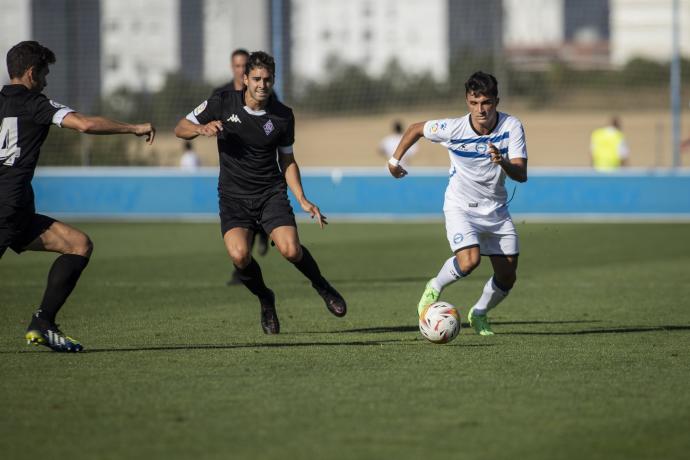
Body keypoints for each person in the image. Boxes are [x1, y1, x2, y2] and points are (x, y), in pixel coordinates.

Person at [174, 51, 346, 334]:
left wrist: (302, 198)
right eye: (256, 79)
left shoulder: (282, 116)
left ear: (273, 80)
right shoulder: (222, 102)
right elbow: (180, 127)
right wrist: (200, 128)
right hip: (233, 197)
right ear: (245, 79)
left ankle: (322, 286)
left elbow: (287, 160)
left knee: (291, 250)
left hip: (270, 193)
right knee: (240, 256)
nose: (262, 85)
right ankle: (266, 299)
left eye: (267, 79)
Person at [0, 41, 155, 352]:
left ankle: (43, 323)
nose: (45, 81)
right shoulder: (36, 104)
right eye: (44, 74)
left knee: (78, 245)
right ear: (31, 73)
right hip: (6, 208)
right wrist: (133, 127)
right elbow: (84, 124)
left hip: (18, 212)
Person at [388, 71, 527, 336]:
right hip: (460, 206)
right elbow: (415, 129)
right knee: (469, 260)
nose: (480, 110)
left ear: (496, 101)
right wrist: (394, 162)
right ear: (467, 101)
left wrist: (503, 162)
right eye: (474, 103)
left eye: (486, 102)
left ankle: (480, 313)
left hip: (496, 211)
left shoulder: (512, 127)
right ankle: (434, 287)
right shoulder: (453, 128)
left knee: (508, 276)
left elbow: (522, 174)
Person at [213, 48, 270, 284]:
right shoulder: (221, 95)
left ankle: (264, 230)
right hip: (233, 174)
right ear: (233, 69)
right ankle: (241, 270)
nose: (240, 69)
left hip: (261, 175)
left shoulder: (265, 93)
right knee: (238, 240)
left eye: (243, 65)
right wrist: (202, 128)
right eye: (236, 66)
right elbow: (198, 120)